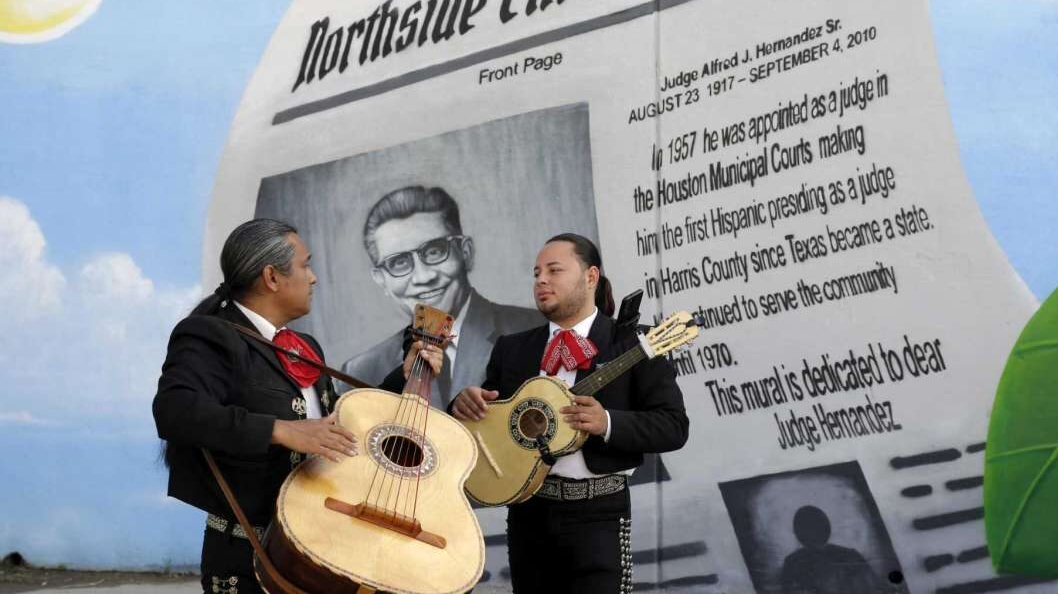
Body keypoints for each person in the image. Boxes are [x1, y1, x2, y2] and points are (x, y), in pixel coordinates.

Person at [152, 219, 441, 594]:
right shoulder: (209, 334)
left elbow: (336, 424)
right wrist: (280, 429)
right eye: (305, 265)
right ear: (272, 277)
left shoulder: (302, 346)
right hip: (249, 555)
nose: (314, 277)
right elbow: (175, 410)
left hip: (319, 551)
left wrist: (402, 378)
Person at [451, 233, 689, 594]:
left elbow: (673, 426)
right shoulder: (513, 348)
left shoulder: (633, 343)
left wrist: (607, 422)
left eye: (554, 270)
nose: (541, 280)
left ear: (590, 277)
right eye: (536, 273)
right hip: (529, 513)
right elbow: (492, 421)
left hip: (599, 514)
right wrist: (465, 405)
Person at [343, 185, 541, 407]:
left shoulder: (534, 330)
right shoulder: (362, 370)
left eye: (434, 251)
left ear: (466, 253)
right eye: (398, 263)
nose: (423, 276)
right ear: (382, 280)